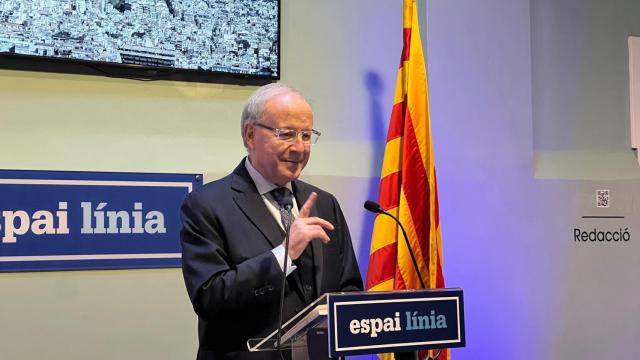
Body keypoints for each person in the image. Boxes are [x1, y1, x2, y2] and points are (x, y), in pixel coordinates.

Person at [180, 83, 363, 360]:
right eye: (286, 134)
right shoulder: (206, 204)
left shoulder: (325, 203)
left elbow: (348, 288)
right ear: (251, 135)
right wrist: (284, 255)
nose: (299, 147)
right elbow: (210, 299)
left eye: (306, 135)